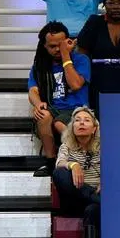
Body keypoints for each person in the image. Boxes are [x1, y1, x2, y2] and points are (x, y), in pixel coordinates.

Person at [28, 22, 91, 174]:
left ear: (68, 42)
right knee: (43, 115)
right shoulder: (40, 66)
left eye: (60, 45)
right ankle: (51, 162)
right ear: (44, 46)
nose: (57, 49)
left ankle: (83, 159)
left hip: (77, 110)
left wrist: (65, 55)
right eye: (52, 46)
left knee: (59, 123)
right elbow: (33, 90)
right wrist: (38, 104)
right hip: (53, 108)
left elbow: (75, 84)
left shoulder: (81, 60)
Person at [52, 107, 102, 228]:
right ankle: (94, 197)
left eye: (87, 120)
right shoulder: (66, 146)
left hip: (97, 199)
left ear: (94, 129)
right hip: (74, 199)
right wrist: (73, 165)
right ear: (72, 127)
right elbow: (60, 162)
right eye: (77, 120)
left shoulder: (104, 147)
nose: (81, 123)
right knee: (59, 173)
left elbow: (114, 169)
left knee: (92, 210)